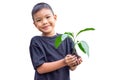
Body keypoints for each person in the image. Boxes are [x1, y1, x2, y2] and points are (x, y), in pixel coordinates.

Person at [29, 2, 82, 80]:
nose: (44, 22)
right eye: (39, 20)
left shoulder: (67, 39)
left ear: (55, 17)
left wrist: (74, 63)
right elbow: (40, 69)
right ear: (35, 24)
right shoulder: (36, 41)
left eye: (48, 17)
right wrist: (64, 62)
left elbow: (72, 68)